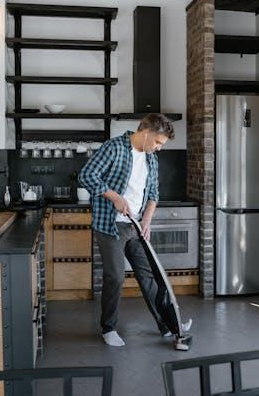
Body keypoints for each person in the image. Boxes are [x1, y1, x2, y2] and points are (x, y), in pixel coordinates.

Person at [78, 113, 190, 347]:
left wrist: (146, 220)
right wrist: (115, 197)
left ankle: (168, 325)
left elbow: (154, 193)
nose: (159, 148)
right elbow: (86, 175)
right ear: (146, 133)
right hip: (110, 225)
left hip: (135, 226)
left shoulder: (151, 159)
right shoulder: (114, 148)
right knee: (116, 277)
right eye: (157, 142)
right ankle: (108, 328)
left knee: (148, 276)